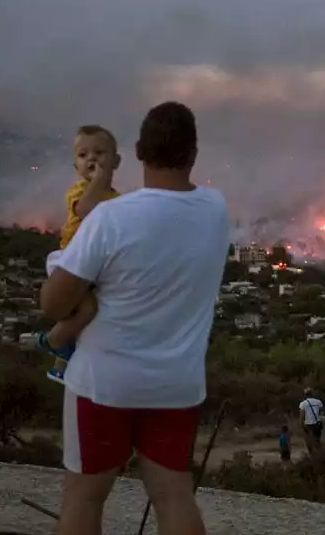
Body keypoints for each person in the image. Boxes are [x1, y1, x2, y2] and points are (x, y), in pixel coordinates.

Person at [40, 102, 229, 535]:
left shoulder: (109, 217)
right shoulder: (215, 210)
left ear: (140, 152)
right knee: (173, 495)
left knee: (85, 497)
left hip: (103, 384)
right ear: (193, 154)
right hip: (175, 385)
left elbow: (53, 303)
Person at [37, 124, 122, 384]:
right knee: (87, 309)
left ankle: (62, 365)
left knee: (92, 316)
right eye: (83, 155)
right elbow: (86, 210)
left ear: (116, 161)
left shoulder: (118, 199)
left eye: (99, 152)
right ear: (76, 166)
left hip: (95, 265)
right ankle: (53, 340)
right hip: (70, 260)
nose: (92, 159)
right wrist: (97, 180)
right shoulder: (79, 190)